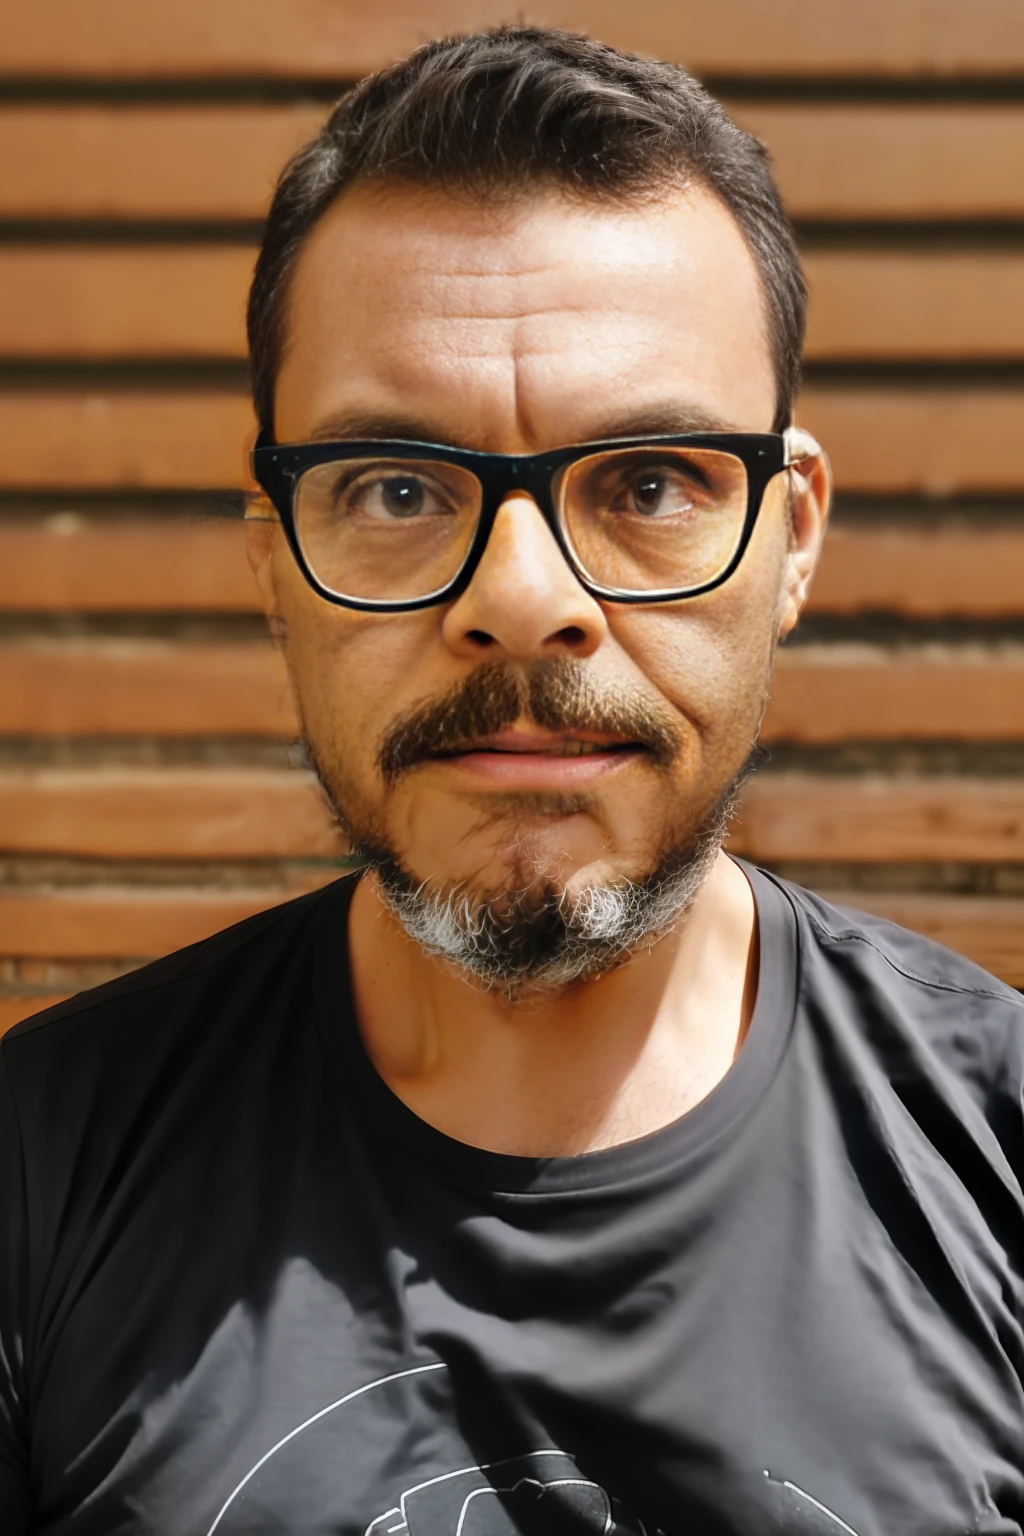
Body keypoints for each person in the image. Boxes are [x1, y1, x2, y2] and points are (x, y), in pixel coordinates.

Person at [1, 25, 1021, 1536]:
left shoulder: (997, 1157)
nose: (524, 597)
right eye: (400, 489)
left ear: (792, 536)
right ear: (274, 548)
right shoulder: (39, 1173)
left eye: (653, 482)